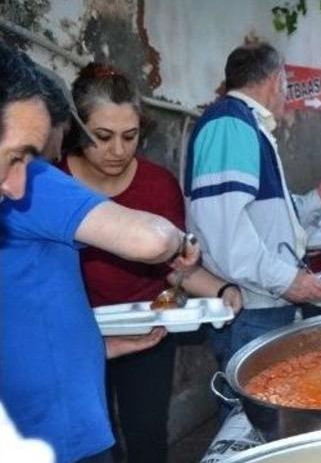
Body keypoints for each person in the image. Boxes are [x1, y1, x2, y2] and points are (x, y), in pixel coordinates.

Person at [1, 43, 200, 463]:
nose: (21, 182)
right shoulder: (39, 183)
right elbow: (152, 241)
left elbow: (23, 316)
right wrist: (181, 240)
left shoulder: (156, 182)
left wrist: (93, 346)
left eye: (129, 137)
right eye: (23, 155)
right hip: (57, 431)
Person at [58, 62, 242, 463]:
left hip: (148, 334)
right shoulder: (51, 182)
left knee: (147, 440)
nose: (118, 151)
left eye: (130, 136)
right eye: (102, 137)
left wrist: (223, 291)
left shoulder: (158, 186)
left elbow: (177, 267)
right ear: (75, 130)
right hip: (74, 337)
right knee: (92, 444)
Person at [184, 42, 321, 367]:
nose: (286, 97)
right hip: (251, 308)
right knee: (248, 414)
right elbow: (226, 235)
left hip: (262, 303)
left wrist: (320, 196)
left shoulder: (245, 125)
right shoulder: (230, 125)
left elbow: (268, 225)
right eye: (287, 86)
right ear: (276, 80)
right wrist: (287, 281)